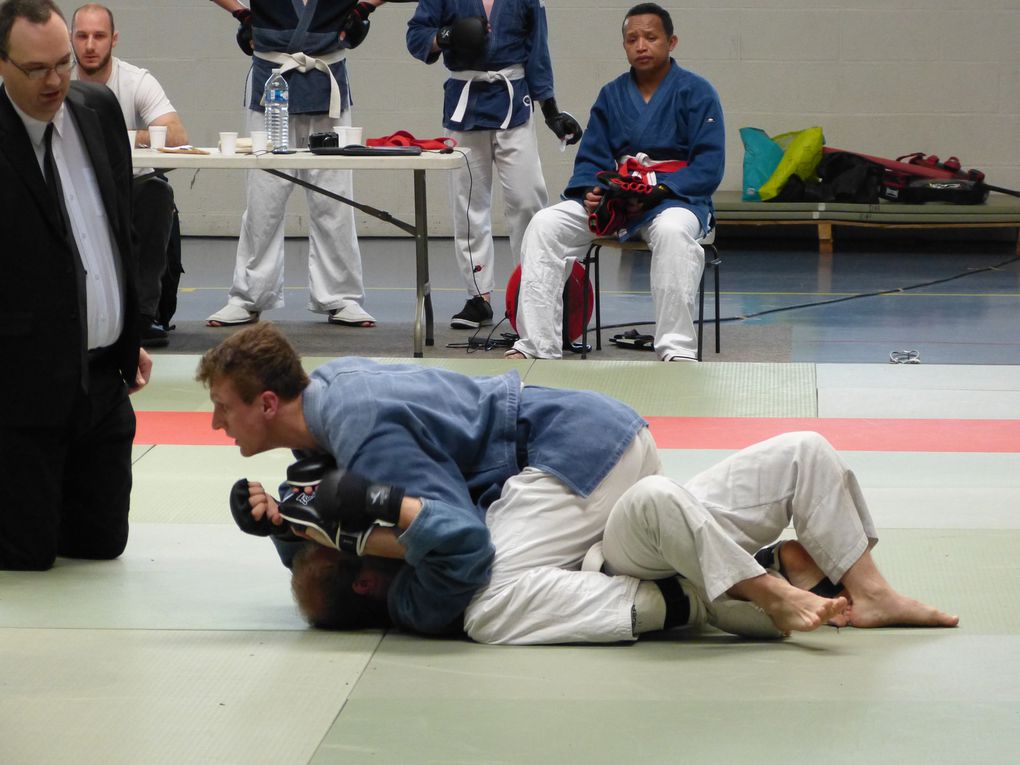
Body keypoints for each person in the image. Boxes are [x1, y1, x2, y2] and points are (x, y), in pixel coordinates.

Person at [197, 324, 957, 643]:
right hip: (598, 443)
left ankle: (687, 600)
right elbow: (336, 519)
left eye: (222, 409)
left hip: (562, 458)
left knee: (487, 603)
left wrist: (390, 529)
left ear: (267, 402)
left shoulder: (358, 423)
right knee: (785, 456)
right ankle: (868, 585)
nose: (215, 425)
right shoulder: (333, 395)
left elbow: (457, 544)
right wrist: (282, 525)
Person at [0, 0, 152, 570]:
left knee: (100, 543)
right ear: (2, 65)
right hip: (20, 385)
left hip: (101, 382)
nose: (56, 79)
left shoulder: (97, 108)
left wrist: (128, 331)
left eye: (62, 63)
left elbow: (118, 230)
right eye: (36, 69)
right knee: (27, 556)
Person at [507, 3, 724, 362]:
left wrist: (661, 190)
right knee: (545, 225)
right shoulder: (611, 94)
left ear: (671, 42)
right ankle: (536, 345)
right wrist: (592, 191)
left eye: (650, 38)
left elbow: (709, 165)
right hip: (618, 202)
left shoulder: (698, 92)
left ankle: (676, 347)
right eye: (632, 39)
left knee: (672, 233)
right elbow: (593, 156)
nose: (641, 45)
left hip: (675, 199)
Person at [205, 0, 384, 329]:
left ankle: (341, 296)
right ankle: (248, 296)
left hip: (326, 78)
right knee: (264, 198)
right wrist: (239, 12)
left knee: (334, 197)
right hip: (271, 81)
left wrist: (365, 7)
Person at [407, 0, 583, 329]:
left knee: (528, 198)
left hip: (513, 101)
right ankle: (478, 297)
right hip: (465, 103)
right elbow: (417, 38)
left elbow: (538, 50)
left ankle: (534, 287)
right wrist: (447, 36)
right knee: (468, 203)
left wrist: (551, 110)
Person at [71, 3, 187, 349]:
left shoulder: (137, 81)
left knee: (156, 192)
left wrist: (116, 133)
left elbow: (177, 134)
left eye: (99, 36)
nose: (90, 45)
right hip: (75, 187)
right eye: (82, 36)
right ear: (71, 40)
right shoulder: (57, 80)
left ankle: (143, 315)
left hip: (130, 188)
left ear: (114, 39)